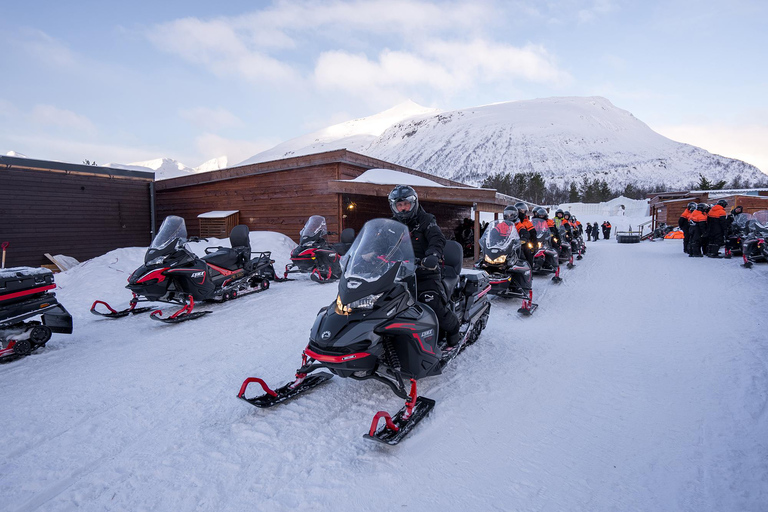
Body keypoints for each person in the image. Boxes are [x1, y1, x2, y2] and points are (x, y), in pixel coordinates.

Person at [388, 185, 461, 346]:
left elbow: (437, 238)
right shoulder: (392, 224)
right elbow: (381, 242)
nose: (403, 209)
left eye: (406, 204)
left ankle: (454, 328)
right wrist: (369, 254)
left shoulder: (426, 220)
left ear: (413, 203)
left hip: (425, 272)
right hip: (398, 274)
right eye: (399, 206)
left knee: (431, 303)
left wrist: (433, 255)